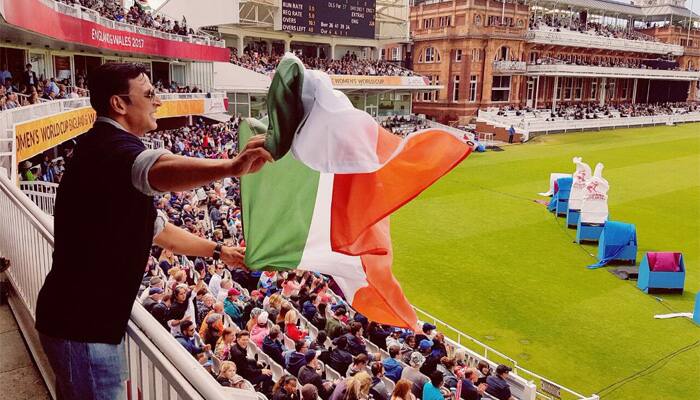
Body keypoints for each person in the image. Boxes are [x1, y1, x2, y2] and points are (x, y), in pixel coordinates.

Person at [34, 62, 273, 400]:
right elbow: (158, 167)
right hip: (83, 330)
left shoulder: (101, 150)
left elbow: (157, 230)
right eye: (148, 94)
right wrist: (231, 167)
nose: (158, 101)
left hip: (80, 326)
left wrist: (220, 252)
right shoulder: (111, 149)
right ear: (119, 104)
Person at [230, 331, 274, 396]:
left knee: (260, 365)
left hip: (243, 369)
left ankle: (260, 385)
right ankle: (264, 393)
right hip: (244, 376)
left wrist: (255, 362)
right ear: (238, 339)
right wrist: (261, 371)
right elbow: (247, 371)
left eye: (247, 340)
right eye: (243, 340)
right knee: (269, 375)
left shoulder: (236, 347)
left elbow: (244, 360)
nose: (245, 342)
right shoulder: (238, 353)